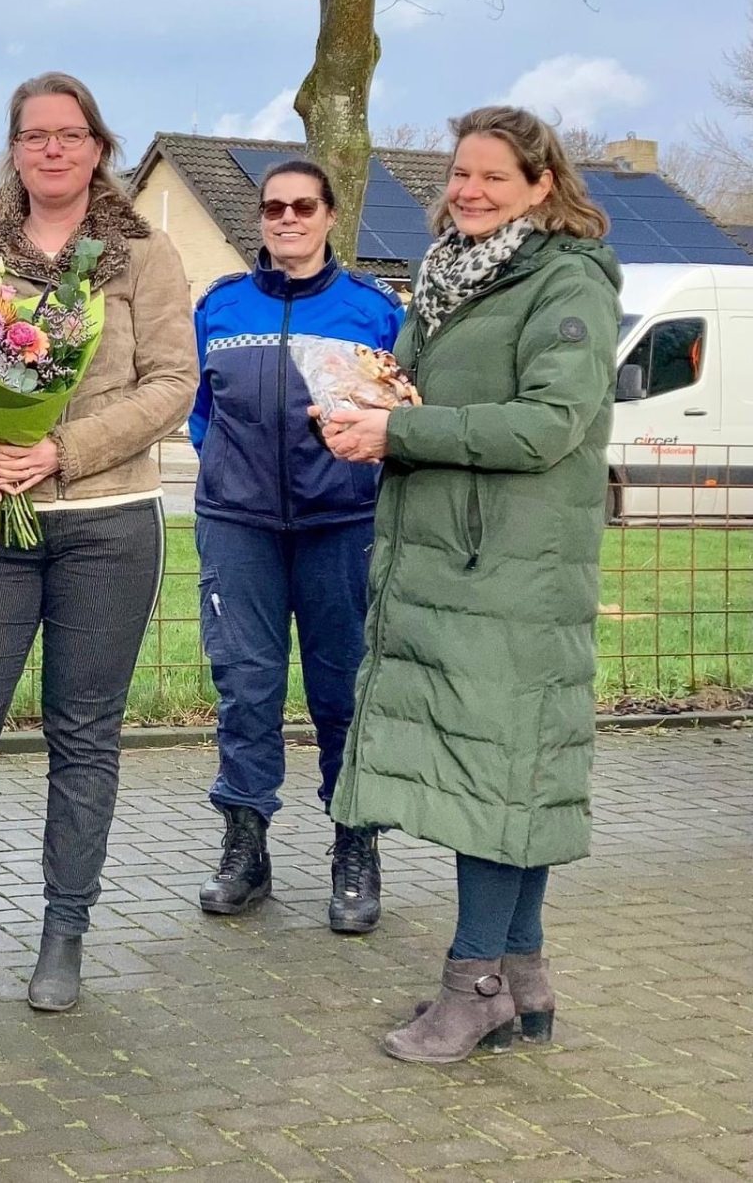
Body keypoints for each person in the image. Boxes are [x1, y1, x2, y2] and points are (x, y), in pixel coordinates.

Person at [0, 72, 199, 1017]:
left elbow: (172, 383)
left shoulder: (146, 256)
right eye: (34, 135)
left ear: (98, 146)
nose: (52, 149)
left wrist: (62, 449)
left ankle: (64, 933)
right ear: (13, 149)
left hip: (106, 526)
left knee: (84, 737)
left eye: (70, 134)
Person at [320, 105, 619, 1064]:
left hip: (510, 573)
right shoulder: (449, 280)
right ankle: (521, 978)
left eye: (493, 176)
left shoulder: (564, 281)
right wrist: (362, 404)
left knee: (494, 777)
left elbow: (547, 425)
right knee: (508, 776)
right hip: (449, 565)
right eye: (460, 173)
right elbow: (415, 391)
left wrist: (400, 434)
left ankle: (473, 985)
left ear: (543, 185)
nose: (469, 190)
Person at [188, 161, 404, 931]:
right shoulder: (221, 306)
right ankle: (246, 848)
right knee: (245, 688)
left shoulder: (372, 310)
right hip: (238, 525)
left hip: (339, 526)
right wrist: (229, 475)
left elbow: (395, 414)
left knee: (342, 691)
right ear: (261, 218)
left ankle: (355, 848)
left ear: (328, 216)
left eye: (302, 206)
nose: (287, 218)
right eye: (273, 207)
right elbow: (200, 412)